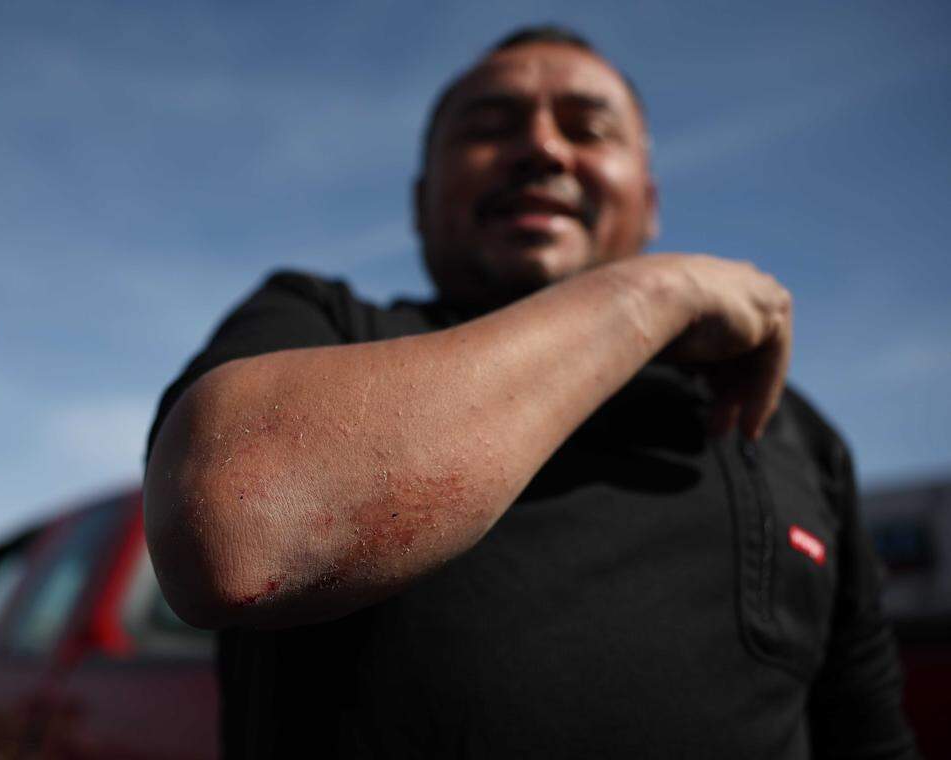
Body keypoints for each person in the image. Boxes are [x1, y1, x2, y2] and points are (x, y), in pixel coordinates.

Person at [144, 26, 917, 759]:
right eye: (491, 125)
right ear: (422, 201)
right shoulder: (324, 322)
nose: (542, 148)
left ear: (648, 203)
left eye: (589, 128)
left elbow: (868, 736)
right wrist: (649, 293)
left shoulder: (789, 427)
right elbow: (235, 527)